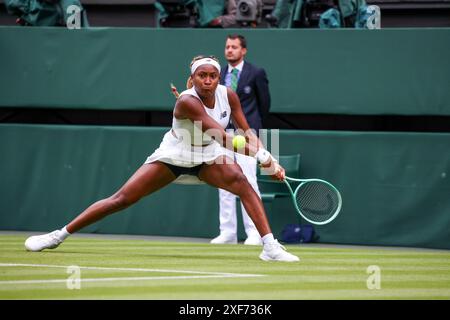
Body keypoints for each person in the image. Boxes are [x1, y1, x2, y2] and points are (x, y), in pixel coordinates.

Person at [24, 55, 299, 262]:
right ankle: (58, 235)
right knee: (120, 199)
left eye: (212, 76)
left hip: (208, 157)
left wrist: (268, 158)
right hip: (175, 156)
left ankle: (269, 247)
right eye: (201, 75)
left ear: (219, 78)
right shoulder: (187, 102)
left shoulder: (229, 95)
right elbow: (223, 137)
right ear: (194, 78)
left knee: (242, 182)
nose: (207, 80)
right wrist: (261, 156)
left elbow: (245, 130)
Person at [210, 34, 270, 246]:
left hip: (247, 135)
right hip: (222, 135)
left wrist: (253, 133)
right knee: (223, 183)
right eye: (227, 46)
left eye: (234, 47)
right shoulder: (218, 74)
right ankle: (227, 232)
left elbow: (264, 106)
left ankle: (254, 233)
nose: (229, 50)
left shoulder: (256, 73)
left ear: (243, 50)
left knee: (249, 181)